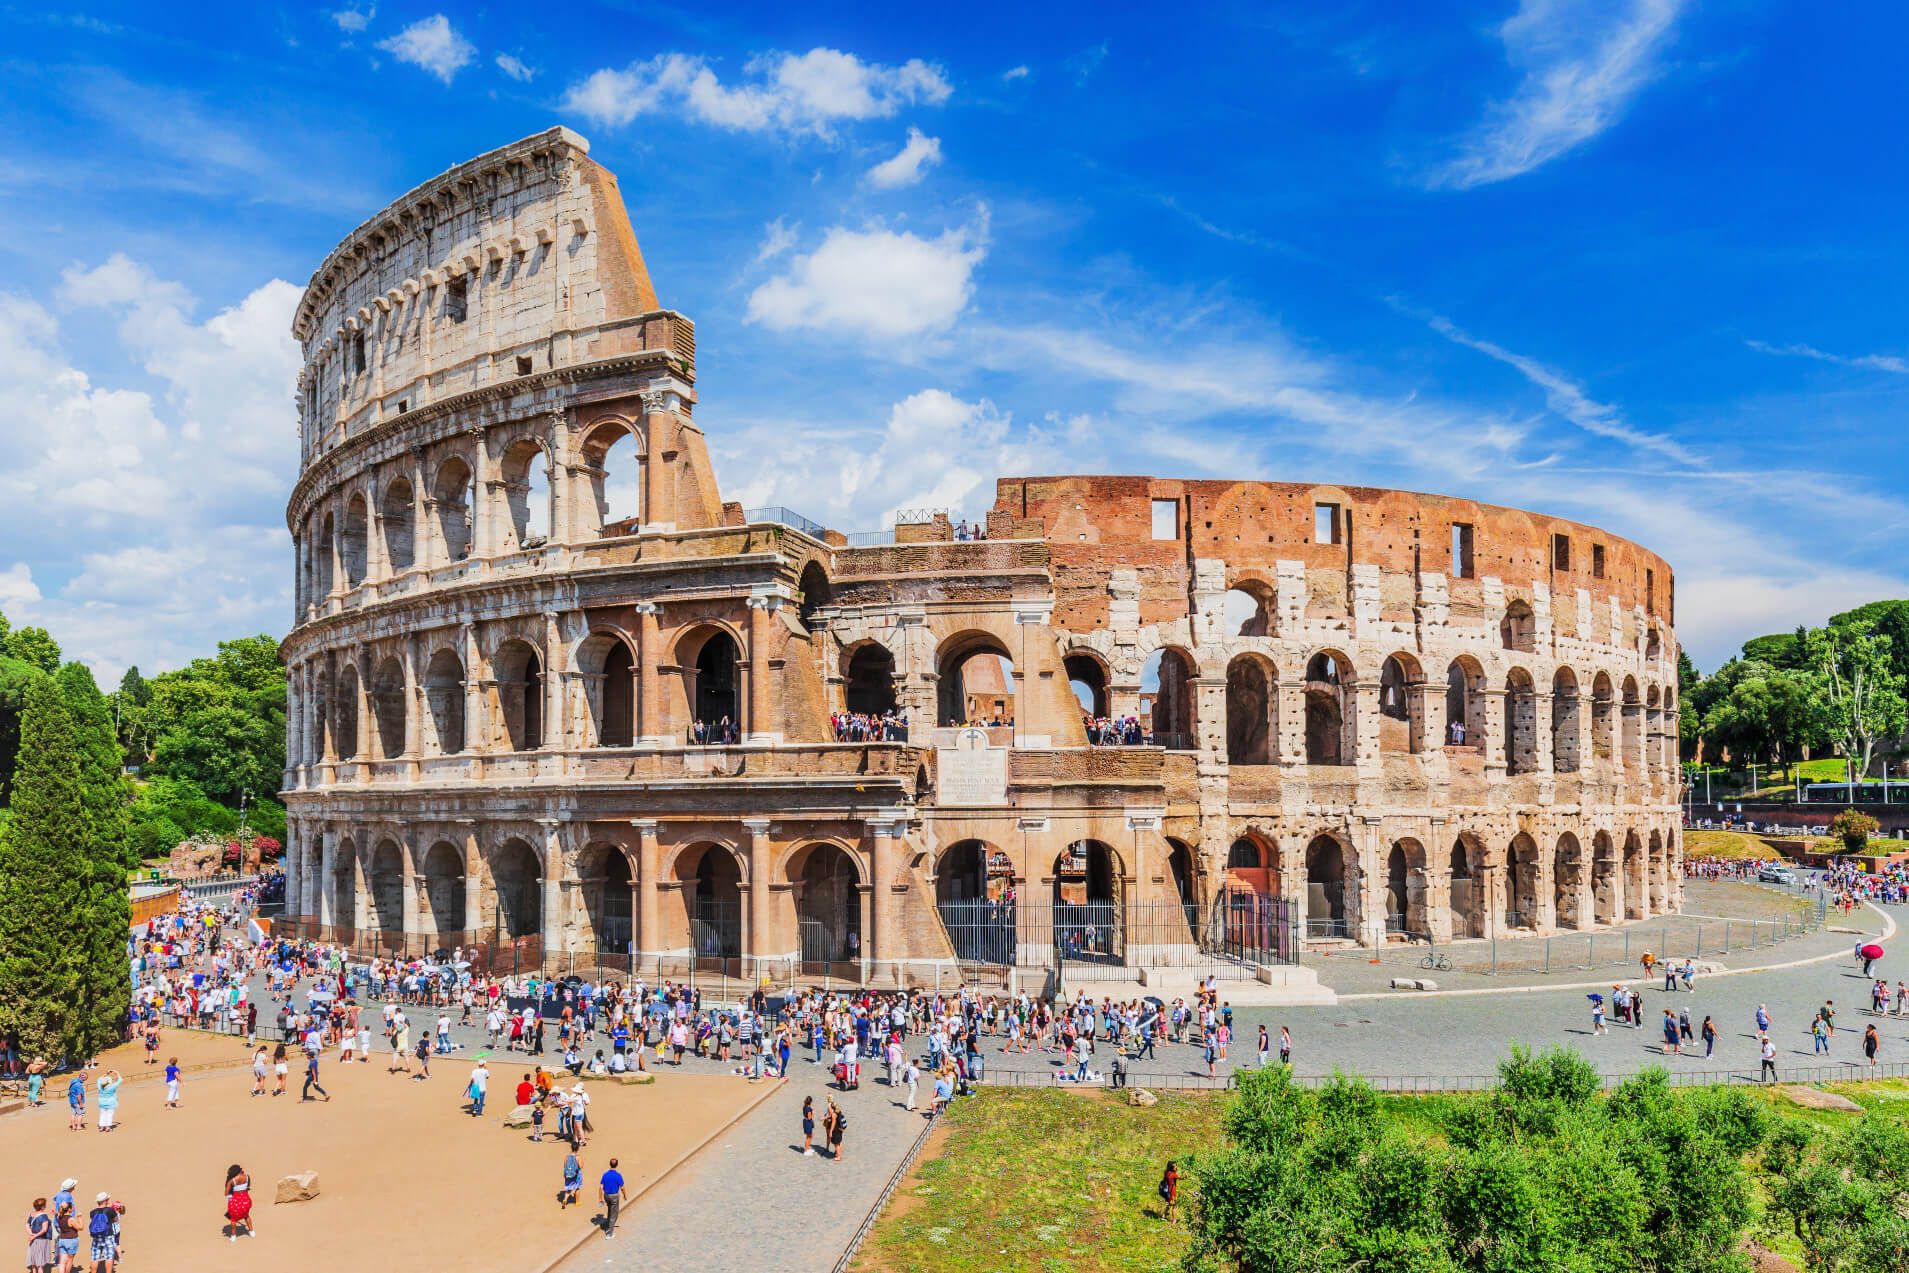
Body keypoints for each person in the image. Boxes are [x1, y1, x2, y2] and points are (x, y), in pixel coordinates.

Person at [84, 1193, 118, 1271]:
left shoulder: (92, 1212)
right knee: (109, 1257)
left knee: (95, 1258)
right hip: (108, 1235)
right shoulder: (110, 1210)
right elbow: (116, 1220)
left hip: (96, 1236)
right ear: (105, 1201)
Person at [224, 1165, 253, 1242]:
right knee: (246, 1215)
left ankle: (233, 1236)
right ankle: (251, 1232)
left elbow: (226, 1193)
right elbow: (248, 1187)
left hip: (236, 1202)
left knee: (233, 1219)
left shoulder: (231, 1181)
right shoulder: (247, 1177)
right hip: (247, 1201)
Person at [598, 1159, 626, 1239]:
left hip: (606, 1196)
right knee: (614, 1214)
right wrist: (624, 1195)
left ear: (610, 1164)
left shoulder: (605, 1175)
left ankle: (608, 1226)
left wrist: (600, 1198)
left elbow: (601, 1187)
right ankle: (609, 1233)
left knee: (610, 1210)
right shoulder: (618, 1175)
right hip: (614, 1196)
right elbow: (622, 1188)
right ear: (617, 1165)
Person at [27, 1197, 54, 1273]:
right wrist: (35, 1236)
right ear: (42, 1206)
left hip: (33, 1241)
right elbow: (44, 1229)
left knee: (34, 1264)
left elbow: (27, 1225)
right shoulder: (44, 1215)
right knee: (40, 1265)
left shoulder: (32, 1214)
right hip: (41, 1240)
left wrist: (31, 1235)